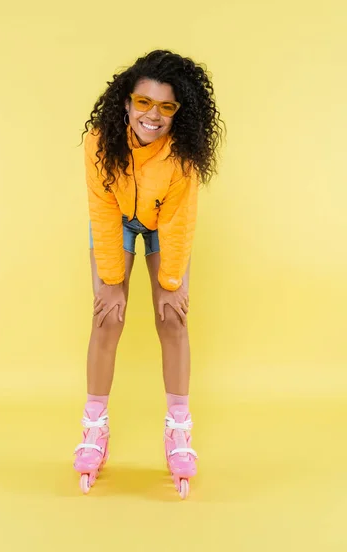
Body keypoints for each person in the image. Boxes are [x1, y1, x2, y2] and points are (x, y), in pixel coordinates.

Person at [73, 49, 224, 498]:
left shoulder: (183, 154)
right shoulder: (100, 142)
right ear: (126, 101)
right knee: (107, 317)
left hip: (164, 223)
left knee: (173, 318)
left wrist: (170, 282)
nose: (152, 115)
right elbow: (101, 209)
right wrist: (112, 280)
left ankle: (179, 429)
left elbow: (180, 220)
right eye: (143, 102)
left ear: (180, 112)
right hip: (117, 219)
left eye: (166, 106)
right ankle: (94, 426)